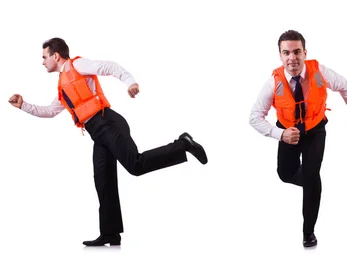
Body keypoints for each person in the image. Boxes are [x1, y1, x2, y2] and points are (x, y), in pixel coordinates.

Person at [7, 37, 209, 247]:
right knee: (103, 181)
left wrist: (130, 82)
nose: (42, 62)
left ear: (55, 56)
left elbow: (108, 66)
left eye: (44, 57)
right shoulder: (62, 85)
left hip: (108, 123)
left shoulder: (77, 65)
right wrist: (24, 106)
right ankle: (110, 233)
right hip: (98, 134)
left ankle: (183, 144)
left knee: (135, 165)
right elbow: (50, 112)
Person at [249, 30, 347, 247]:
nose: (293, 58)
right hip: (288, 132)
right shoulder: (274, 83)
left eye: (297, 52)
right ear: (280, 56)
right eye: (287, 53)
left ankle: (308, 232)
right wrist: (280, 134)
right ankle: (313, 184)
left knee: (311, 176)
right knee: (285, 173)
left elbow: (343, 85)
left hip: (315, 130)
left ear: (305, 52)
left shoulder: (318, 72)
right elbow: (254, 117)